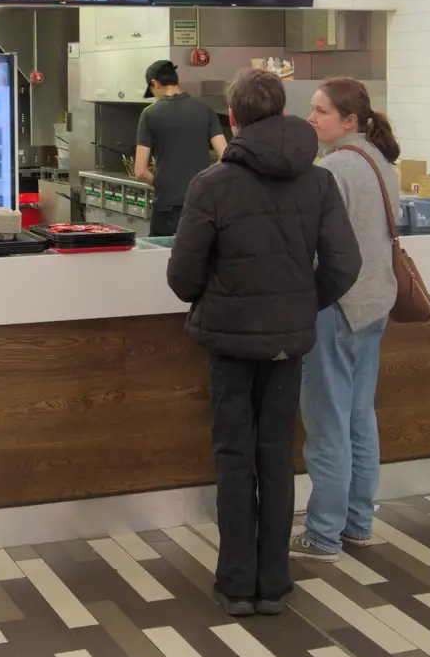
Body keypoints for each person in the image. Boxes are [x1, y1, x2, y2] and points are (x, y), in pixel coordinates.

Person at [166, 68, 361, 615]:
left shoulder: (212, 185)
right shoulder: (318, 179)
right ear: (282, 111)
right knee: (277, 456)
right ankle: (274, 585)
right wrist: (302, 303)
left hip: (230, 346)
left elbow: (182, 278)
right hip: (289, 346)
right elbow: (345, 264)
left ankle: (236, 584)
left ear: (234, 118)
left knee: (234, 458)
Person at [292, 76, 401, 562]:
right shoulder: (381, 163)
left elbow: (313, 244)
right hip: (375, 305)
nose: (311, 119)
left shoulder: (334, 168)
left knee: (327, 424)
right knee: (360, 418)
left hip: (335, 308)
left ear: (350, 120)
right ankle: (358, 523)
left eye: (320, 112)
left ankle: (322, 534)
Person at [135, 60, 227, 237]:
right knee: (198, 260)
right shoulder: (205, 110)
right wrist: (203, 180)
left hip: (166, 207)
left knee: (163, 259)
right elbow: (226, 156)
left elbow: (140, 170)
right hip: (201, 204)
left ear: (154, 83)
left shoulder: (149, 114)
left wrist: (161, 182)